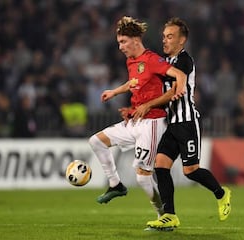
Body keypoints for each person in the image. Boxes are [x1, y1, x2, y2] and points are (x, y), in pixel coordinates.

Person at [132, 17, 231, 230]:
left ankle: (222, 194)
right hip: (172, 124)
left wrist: (148, 105)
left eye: (170, 37)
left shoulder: (185, 61)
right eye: (164, 37)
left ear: (181, 41)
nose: (165, 41)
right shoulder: (163, 63)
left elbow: (174, 92)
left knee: (191, 171)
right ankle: (170, 215)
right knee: (160, 166)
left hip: (187, 123)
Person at [88, 16, 186, 218]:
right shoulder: (131, 61)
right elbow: (134, 82)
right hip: (135, 120)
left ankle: (164, 216)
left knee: (142, 178)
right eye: (119, 43)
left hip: (152, 123)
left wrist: (179, 91)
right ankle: (115, 185)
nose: (121, 47)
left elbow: (178, 74)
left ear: (135, 40)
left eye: (123, 42)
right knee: (96, 141)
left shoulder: (152, 60)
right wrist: (115, 92)